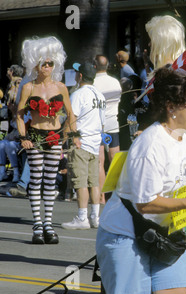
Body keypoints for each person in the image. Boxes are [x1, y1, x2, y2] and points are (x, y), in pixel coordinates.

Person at [96, 66, 186, 294]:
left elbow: (180, 188)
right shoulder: (151, 145)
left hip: (165, 234)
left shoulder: (181, 136)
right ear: (171, 107)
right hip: (126, 236)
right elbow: (145, 203)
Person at [16, 36, 80, 244]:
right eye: (43, 63)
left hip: (54, 137)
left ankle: (49, 225)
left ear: (55, 63)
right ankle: (37, 225)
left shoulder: (61, 87)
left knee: (51, 180)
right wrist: (23, 138)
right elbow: (19, 115)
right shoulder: (28, 88)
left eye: (50, 63)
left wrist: (73, 136)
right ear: (35, 63)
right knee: (36, 179)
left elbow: (71, 114)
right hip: (34, 136)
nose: (47, 66)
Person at [61, 62, 106, 230]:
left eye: (76, 72)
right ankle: (95, 217)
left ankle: (82, 218)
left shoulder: (78, 94)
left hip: (80, 143)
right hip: (94, 144)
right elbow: (102, 124)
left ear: (80, 76)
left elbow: (71, 120)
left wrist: (64, 142)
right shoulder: (100, 96)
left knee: (80, 182)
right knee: (93, 182)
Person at [93, 55, 122, 204]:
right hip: (113, 125)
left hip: (98, 126)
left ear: (94, 66)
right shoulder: (115, 82)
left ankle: (101, 198)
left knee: (100, 162)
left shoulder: (92, 83)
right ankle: (117, 196)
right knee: (115, 160)